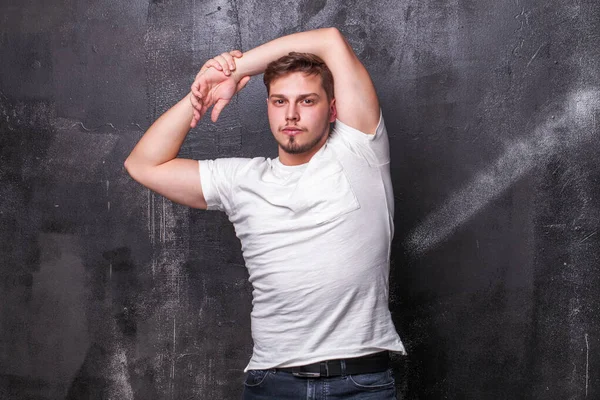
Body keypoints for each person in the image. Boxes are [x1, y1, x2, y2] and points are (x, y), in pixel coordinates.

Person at [125, 27, 406, 400]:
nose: (291, 114)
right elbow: (143, 164)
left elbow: (330, 41)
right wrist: (203, 95)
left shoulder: (360, 149)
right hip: (272, 384)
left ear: (333, 109)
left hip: (358, 383)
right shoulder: (241, 179)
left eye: (307, 101)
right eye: (279, 101)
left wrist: (237, 69)